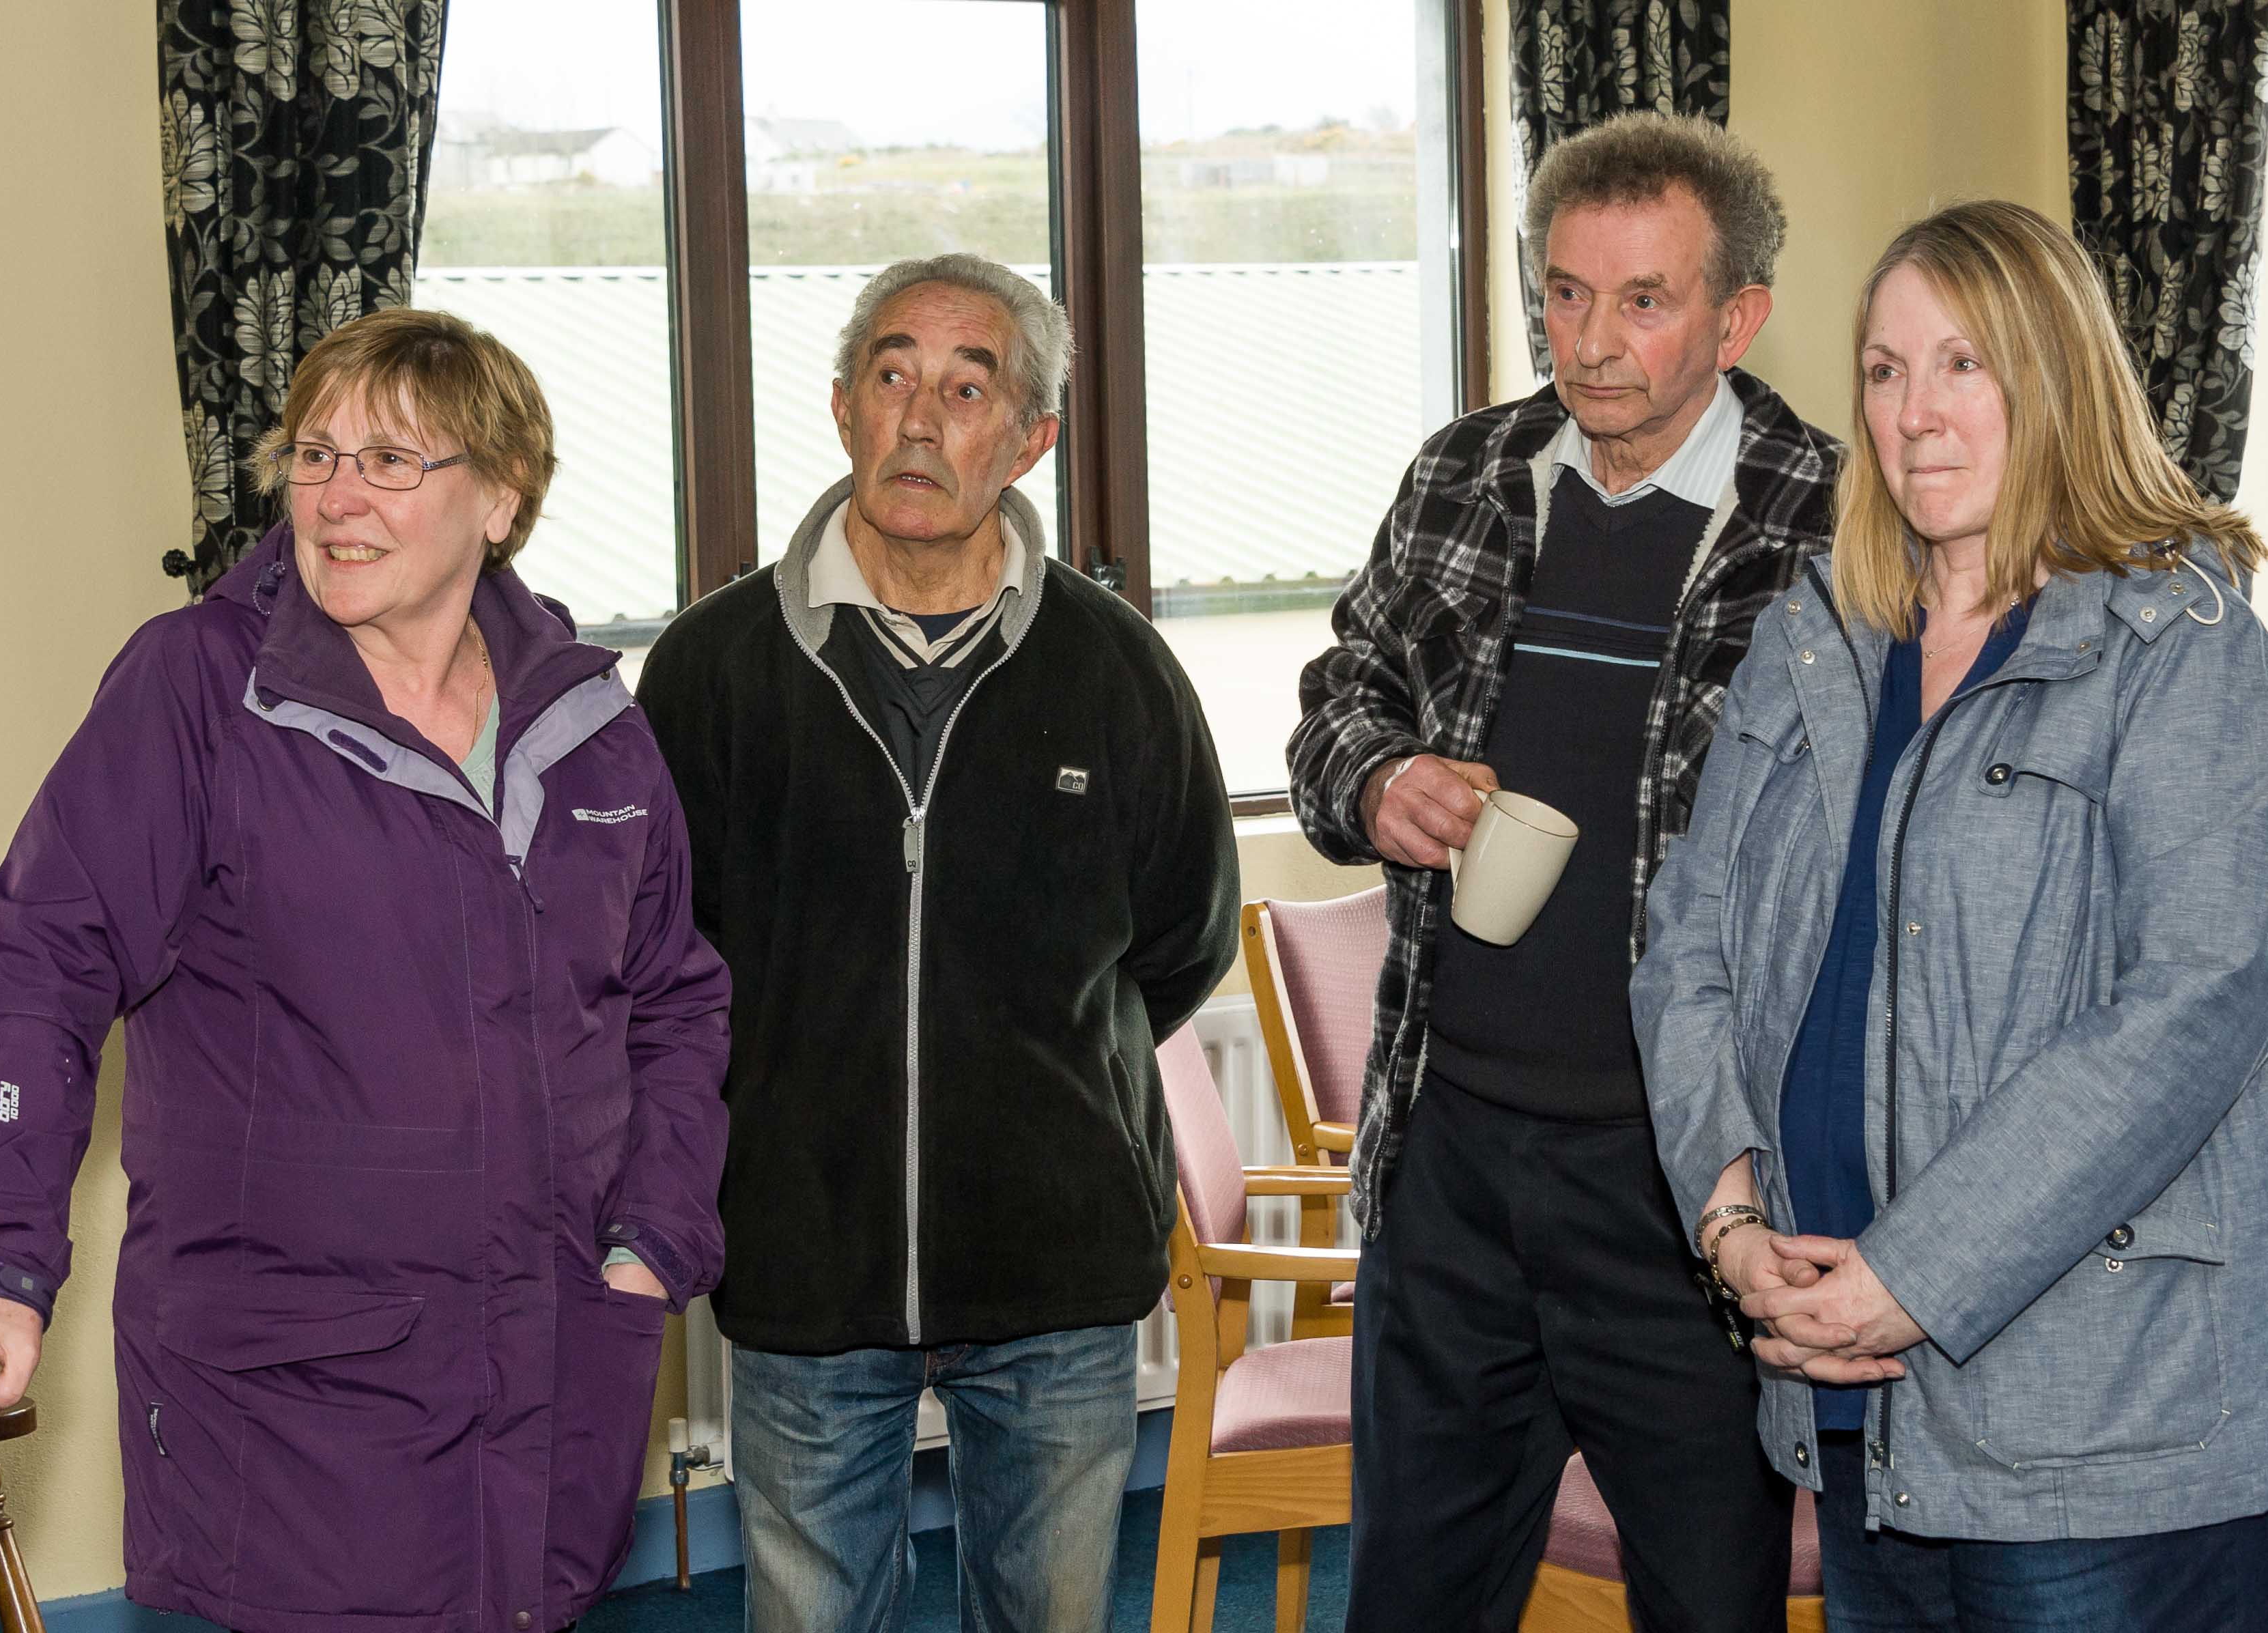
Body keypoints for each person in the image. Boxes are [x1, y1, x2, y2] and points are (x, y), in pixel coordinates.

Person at [0, 308, 730, 1632]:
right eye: (315, 452)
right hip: (292, 1386)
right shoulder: (195, 693)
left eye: (393, 461)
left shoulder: (590, 726)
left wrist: (653, 1236)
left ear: (500, 501)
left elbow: (674, 998)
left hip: (553, 1349)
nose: (337, 494)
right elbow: (39, 975)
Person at [1634, 198, 2268, 1630]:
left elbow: (2190, 1001)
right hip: (1854, 1404)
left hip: (2100, 1434)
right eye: (1880, 369)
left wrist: (1913, 1275)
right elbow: (1686, 952)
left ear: (2051, 376)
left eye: (1960, 364)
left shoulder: (2179, 646)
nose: (1913, 413)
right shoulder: (1816, 636)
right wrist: (1731, 1227)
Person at [636, 252, 1236, 1633]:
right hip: (801, 1260)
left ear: (1028, 438)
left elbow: (1180, 936)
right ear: (842, 406)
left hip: (1056, 1269)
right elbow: (666, 952)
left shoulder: (1116, 664)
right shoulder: (711, 668)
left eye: (968, 387)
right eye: (894, 375)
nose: (921, 417)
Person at [1288, 112, 1834, 1631]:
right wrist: (1379, 777)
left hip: (1684, 1189)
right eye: (1564, 294)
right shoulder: (1464, 470)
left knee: (1708, 1603)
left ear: (1737, 316)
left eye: (1643, 300)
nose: (1591, 343)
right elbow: (1342, 689)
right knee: (1408, 1599)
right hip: (1449, 1157)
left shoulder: (1829, 521)